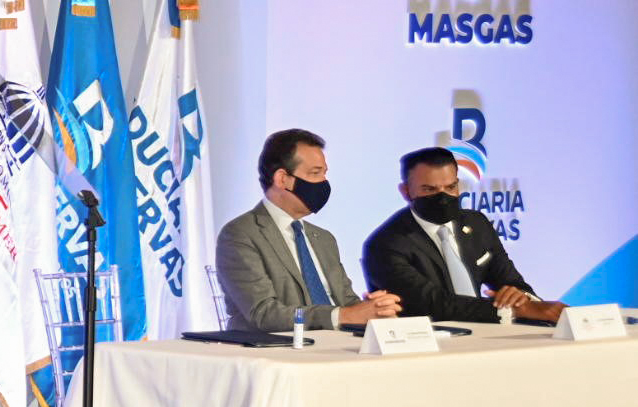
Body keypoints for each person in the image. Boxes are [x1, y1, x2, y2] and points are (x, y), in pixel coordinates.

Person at [214, 128, 401, 332]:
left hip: (339, 344)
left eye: (324, 173)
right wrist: (344, 316)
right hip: (281, 346)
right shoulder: (241, 234)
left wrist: (373, 309)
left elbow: (345, 301)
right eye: (315, 173)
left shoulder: (324, 239)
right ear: (282, 179)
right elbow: (263, 313)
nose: (324, 182)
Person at [362, 146, 565, 324]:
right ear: (406, 191)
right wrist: (513, 310)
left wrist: (521, 298)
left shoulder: (477, 223)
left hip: (488, 335)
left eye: (451, 187)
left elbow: (510, 280)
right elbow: (433, 304)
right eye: (429, 189)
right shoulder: (385, 244)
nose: (443, 197)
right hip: (428, 342)